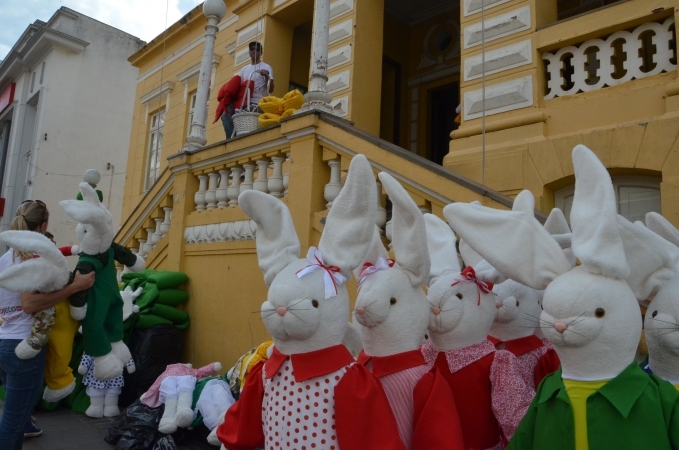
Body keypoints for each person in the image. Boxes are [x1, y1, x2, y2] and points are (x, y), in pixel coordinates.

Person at [0, 200, 95, 450]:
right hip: (25, 347)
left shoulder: (7, 257)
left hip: (5, 341)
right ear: (43, 226)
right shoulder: (31, 258)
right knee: (14, 421)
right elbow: (30, 303)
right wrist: (75, 287)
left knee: (16, 418)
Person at [239, 41, 274, 107]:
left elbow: (271, 89)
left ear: (261, 53)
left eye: (257, 50)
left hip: (257, 103)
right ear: (249, 52)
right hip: (244, 102)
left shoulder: (266, 67)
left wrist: (266, 76)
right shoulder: (244, 69)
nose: (254, 51)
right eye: (252, 49)